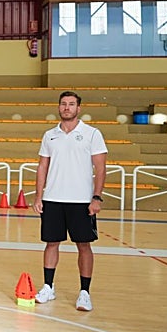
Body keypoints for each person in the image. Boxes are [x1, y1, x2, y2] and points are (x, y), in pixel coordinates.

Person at [32, 91, 108, 312]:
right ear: (59, 107)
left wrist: (96, 197)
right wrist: (38, 196)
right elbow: (43, 166)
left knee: (83, 245)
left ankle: (84, 292)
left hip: (81, 201)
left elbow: (100, 168)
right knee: (51, 243)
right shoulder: (50, 135)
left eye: (71, 104)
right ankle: (48, 286)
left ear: (78, 108)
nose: (67, 107)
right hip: (53, 199)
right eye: (63, 104)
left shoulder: (92, 134)